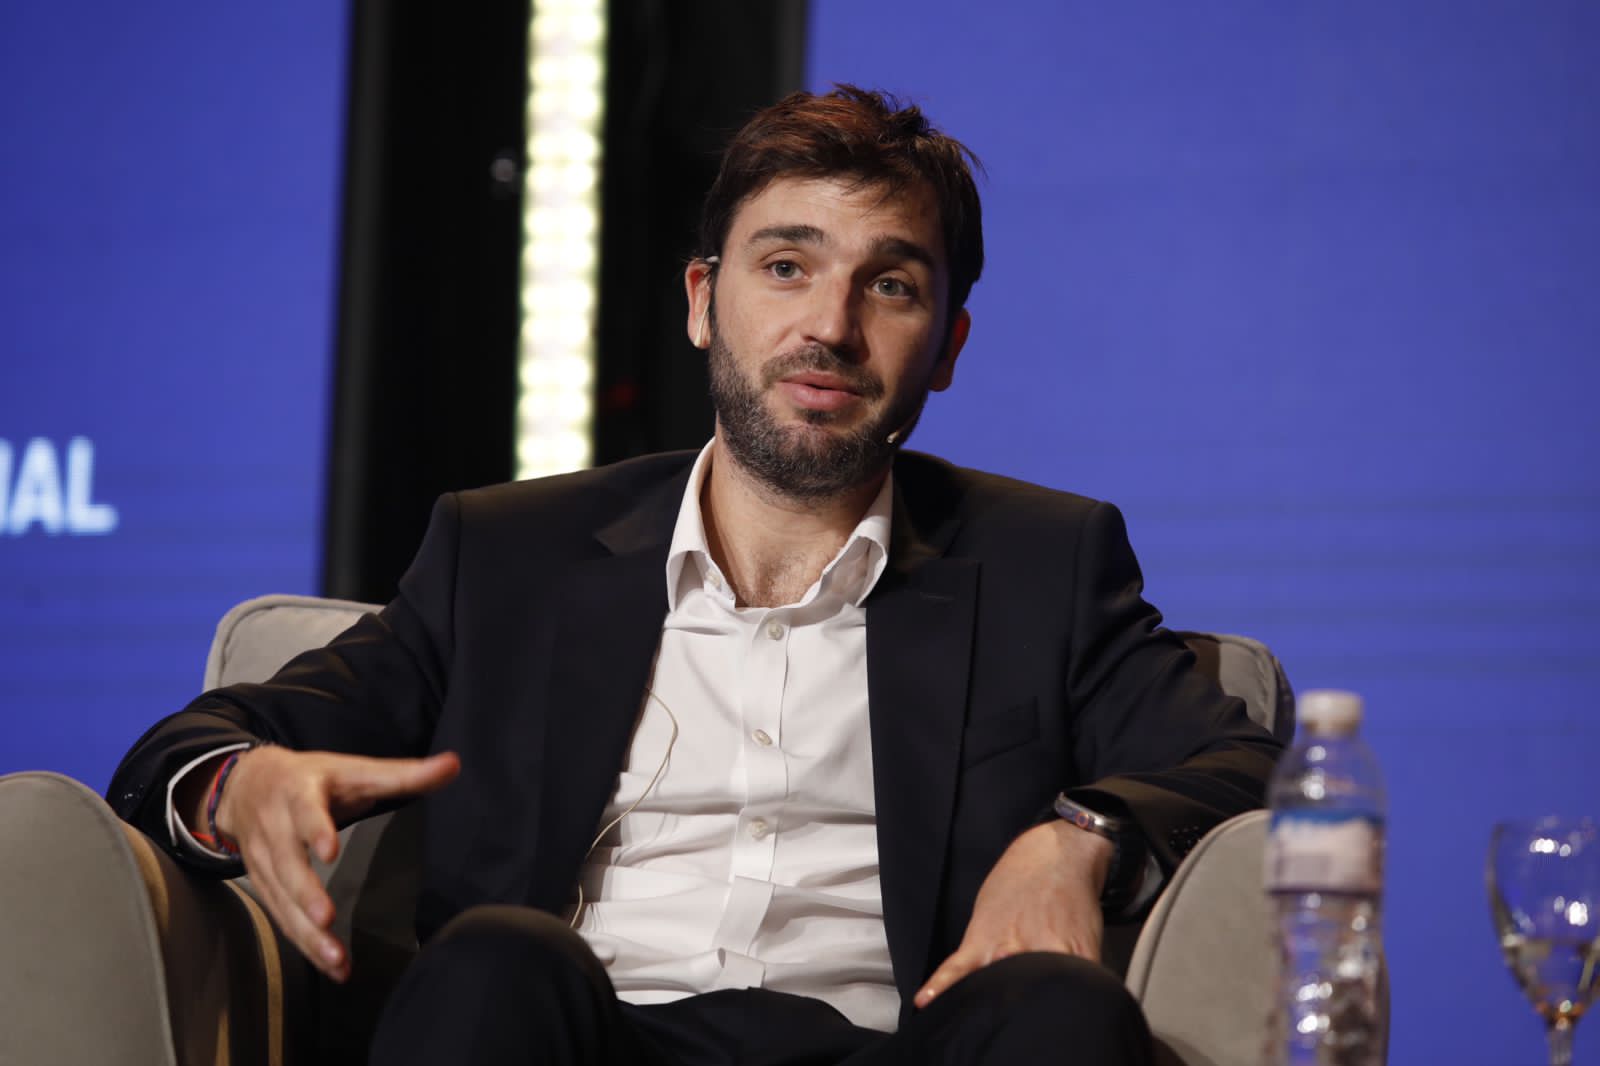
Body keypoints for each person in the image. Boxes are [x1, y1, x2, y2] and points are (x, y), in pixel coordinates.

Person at [110, 86, 1282, 1065]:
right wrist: (239, 785)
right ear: (701, 302)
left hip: (899, 1043)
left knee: (1059, 1008)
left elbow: (1249, 768)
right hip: (579, 1033)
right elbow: (190, 747)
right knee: (494, 958)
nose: (829, 326)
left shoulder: (1041, 562)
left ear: (948, 347)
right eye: (786, 265)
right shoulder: (507, 554)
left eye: (890, 284)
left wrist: (1078, 836)